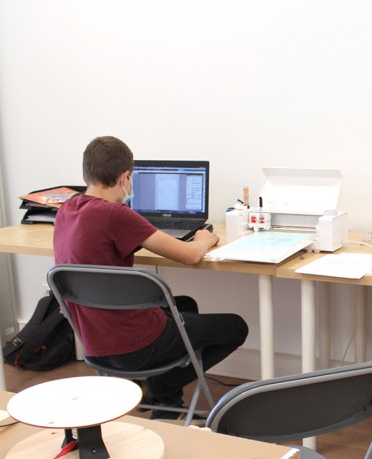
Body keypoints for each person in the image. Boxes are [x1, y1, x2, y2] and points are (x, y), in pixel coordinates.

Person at [53, 136, 248, 419]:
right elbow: (190, 255)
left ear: (87, 174)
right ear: (125, 177)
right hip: (134, 347)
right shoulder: (117, 215)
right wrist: (204, 239)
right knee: (235, 327)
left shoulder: (67, 210)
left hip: (94, 344)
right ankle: (164, 386)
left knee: (184, 305)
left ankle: (167, 402)